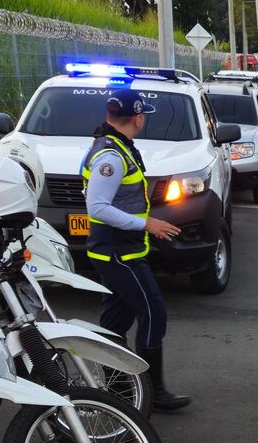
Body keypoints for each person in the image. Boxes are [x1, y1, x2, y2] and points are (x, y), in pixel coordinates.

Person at [81, 88, 190, 412]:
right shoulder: (111, 156)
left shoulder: (112, 145)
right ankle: (151, 393)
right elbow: (97, 208)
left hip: (118, 250)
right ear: (138, 118)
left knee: (115, 321)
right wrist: (147, 224)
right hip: (118, 253)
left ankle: (119, 395)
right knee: (153, 312)